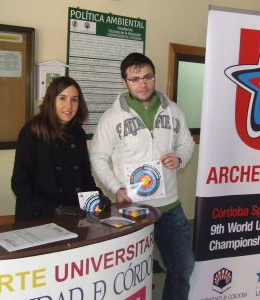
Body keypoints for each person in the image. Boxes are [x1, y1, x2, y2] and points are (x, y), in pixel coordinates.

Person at [89, 53, 195, 300]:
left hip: (170, 207)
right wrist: (116, 188)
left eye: (147, 77)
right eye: (135, 79)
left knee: (183, 266)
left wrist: (180, 158)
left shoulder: (174, 111)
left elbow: (187, 143)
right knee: (131, 275)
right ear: (124, 82)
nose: (143, 84)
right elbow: (97, 157)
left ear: (154, 77)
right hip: (132, 209)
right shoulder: (112, 118)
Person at [12, 76, 110, 222]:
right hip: (38, 217)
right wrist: (54, 209)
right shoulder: (32, 131)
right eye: (62, 98)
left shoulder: (78, 133)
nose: (69, 106)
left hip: (72, 214)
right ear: (51, 100)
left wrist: (97, 197)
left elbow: (84, 177)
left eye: (74, 100)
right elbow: (20, 184)